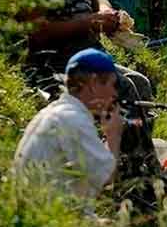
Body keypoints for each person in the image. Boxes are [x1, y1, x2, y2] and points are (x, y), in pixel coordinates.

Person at [0, 0, 160, 193]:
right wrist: (90, 22)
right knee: (124, 88)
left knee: (141, 83)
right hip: (50, 63)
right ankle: (134, 185)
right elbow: (38, 33)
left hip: (87, 54)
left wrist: (106, 12)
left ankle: (141, 168)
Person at [13, 48, 122, 202]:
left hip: (35, 213)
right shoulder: (74, 120)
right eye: (111, 85)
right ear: (93, 83)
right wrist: (113, 135)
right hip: (50, 219)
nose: (114, 93)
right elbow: (105, 181)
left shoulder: (51, 113)